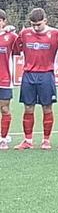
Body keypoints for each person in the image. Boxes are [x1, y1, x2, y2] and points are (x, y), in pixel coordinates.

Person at [13, 8, 58, 150]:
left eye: (39, 24)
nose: (35, 28)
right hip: (28, 74)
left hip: (46, 75)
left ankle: (46, 140)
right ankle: (27, 140)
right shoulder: (24, 33)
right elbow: (16, 49)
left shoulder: (56, 34)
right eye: (33, 24)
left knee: (47, 107)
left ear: (45, 21)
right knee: (28, 108)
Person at [0, 11, 15, 150]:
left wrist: (13, 29)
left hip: (4, 80)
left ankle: (3, 138)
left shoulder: (10, 37)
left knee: (4, 109)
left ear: (3, 21)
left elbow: (23, 42)